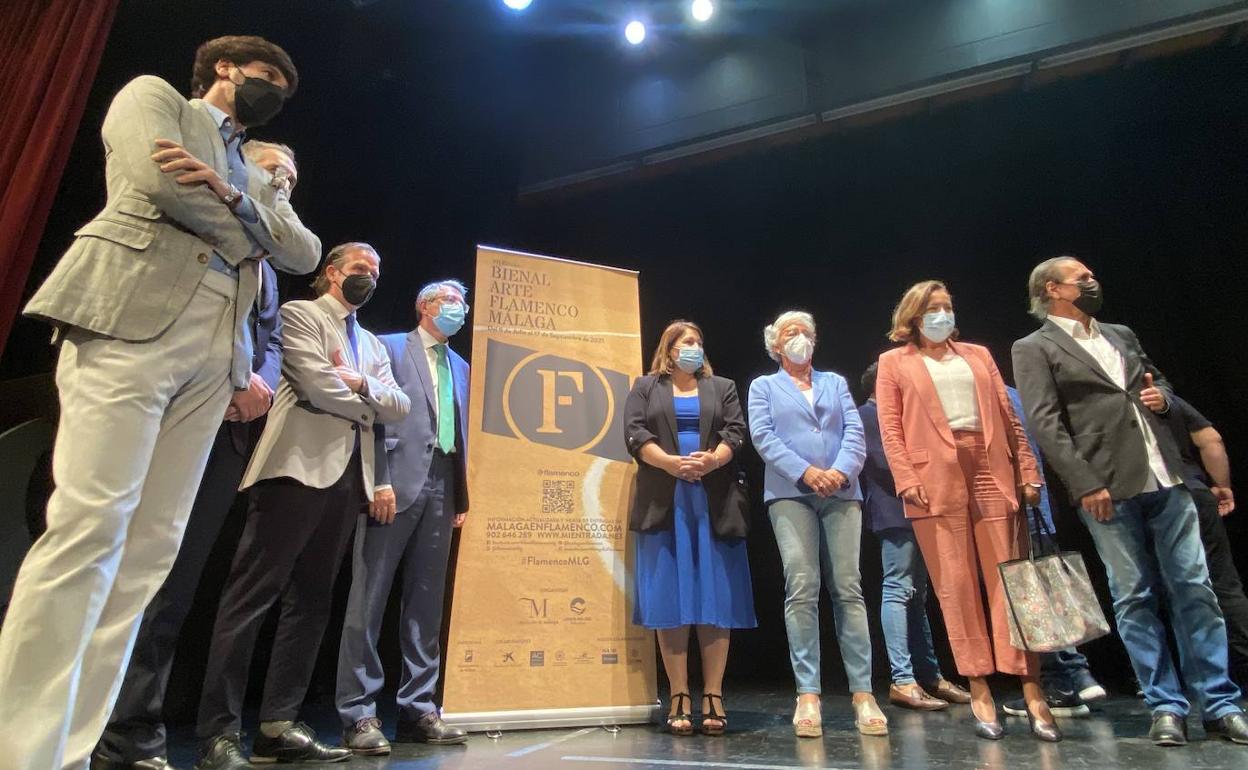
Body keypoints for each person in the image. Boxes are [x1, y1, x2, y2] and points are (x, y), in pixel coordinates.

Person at [0, 35, 318, 770]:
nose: (272, 88)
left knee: (147, 557)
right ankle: (24, 752)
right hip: (132, 317)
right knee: (90, 529)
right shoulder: (156, 99)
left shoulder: (251, 171)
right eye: (265, 75)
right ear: (224, 70)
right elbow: (158, 182)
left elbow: (302, 253)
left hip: (217, 356)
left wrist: (236, 194)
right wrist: (250, 230)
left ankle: (71, 750)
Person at [93, 140, 308, 770]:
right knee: (117, 566)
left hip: (226, 434)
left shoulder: (271, 259)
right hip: (156, 408)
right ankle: (81, 722)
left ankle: (132, 733)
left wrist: (255, 382)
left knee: (175, 585)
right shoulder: (194, 216)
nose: (285, 182)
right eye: (274, 168)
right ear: (237, 164)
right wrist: (237, 376)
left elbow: (267, 340)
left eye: (293, 177)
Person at [1012, 256, 1248, 746]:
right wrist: (1084, 483)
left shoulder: (1120, 333)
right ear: (1053, 289)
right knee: (1135, 595)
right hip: (1106, 487)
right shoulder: (1034, 347)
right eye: (1082, 278)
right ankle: (1165, 704)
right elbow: (1045, 422)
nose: (1092, 281)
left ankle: (1220, 703)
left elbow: (1156, 380)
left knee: (1195, 589)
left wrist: (1161, 394)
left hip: (1166, 476)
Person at [195, 243, 411, 769]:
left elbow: (400, 405)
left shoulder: (371, 343)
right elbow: (316, 386)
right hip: (293, 471)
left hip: (346, 481)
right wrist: (370, 397)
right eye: (361, 270)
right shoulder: (301, 314)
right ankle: (218, 733)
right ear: (332, 273)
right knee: (251, 599)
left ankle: (277, 726)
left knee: (312, 604)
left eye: (377, 273)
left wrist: (360, 382)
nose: (370, 279)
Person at [875, 281, 1058, 742]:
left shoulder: (978, 355)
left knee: (1011, 584)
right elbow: (890, 428)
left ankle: (1031, 687)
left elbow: (1010, 416)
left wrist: (1029, 469)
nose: (943, 315)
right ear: (914, 316)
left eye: (947, 307)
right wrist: (907, 479)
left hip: (990, 466)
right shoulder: (894, 362)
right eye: (933, 309)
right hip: (933, 476)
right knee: (955, 587)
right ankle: (979, 686)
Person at [336, 280, 473, 754]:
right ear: (424, 306)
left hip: (441, 487)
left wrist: (459, 497)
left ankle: (419, 706)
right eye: (450, 302)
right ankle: (358, 712)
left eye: (462, 303)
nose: (459, 309)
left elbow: (460, 436)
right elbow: (372, 414)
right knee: (368, 598)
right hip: (393, 484)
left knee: (426, 604)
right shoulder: (390, 346)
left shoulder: (461, 365)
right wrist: (379, 479)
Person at [748, 311, 884, 738]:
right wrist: (807, 472)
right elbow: (764, 436)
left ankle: (863, 693)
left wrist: (840, 472)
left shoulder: (835, 383)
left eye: (806, 331)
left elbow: (854, 435)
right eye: (791, 332)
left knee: (848, 587)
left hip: (842, 492)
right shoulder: (763, 387)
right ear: (775, 345)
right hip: (790, 494)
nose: (800, 338)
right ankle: (808, 693)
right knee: (802, 587)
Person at [624, 320, 756, 736]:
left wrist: (711, 460)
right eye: (686, 342)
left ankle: (713, 693)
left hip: (713, 500)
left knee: (715, 597)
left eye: (698, 341)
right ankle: (679, 692)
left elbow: (736, 431)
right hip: (665, 502)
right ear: (669, 349)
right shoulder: (646, 386)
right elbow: (633, 432)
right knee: (671, 597)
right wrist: (669, 462)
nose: (693, 347)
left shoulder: (723, 387)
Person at [859, 362, 971, 711]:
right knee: (897, 588)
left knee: (917, 595)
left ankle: (930, 676)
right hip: (895, 511)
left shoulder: (909, 417)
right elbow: (882, 460)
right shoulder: (867, 415)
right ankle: (902, 679)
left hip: (925, 508)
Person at [998, 385, 1107, 721]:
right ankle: (1077, 675)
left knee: (1029, 599)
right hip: (1038, 505)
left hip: (1012, 510)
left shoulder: (987, 395)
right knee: (1049, 591)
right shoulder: (1017, 394)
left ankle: (1062, 680)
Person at [1159, 393, 1248, 689]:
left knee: (1167, 587)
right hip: (1196, 489)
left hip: (1160, 497)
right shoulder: (1169, 399)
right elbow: (1211, 439)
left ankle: (1183, 676)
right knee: (1223, 582)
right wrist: (1222, 486)